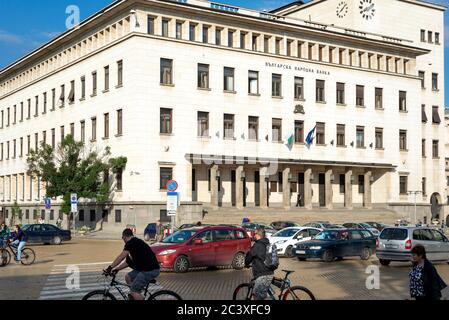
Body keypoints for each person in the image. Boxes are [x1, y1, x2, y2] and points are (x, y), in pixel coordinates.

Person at [106, 228, 160, 300]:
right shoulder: (134, 243)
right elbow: (128, 262)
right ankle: (136, 296)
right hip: (144, 268)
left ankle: (135, 293)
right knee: (128, 277)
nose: (123, 240)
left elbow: (121, 256)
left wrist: (110, 267)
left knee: (134, 290)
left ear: (124, 237)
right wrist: (116, 269)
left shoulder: (131, 243)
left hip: (150, 270)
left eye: (122, 238)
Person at [244, 228, 274, 300]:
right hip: (270, 273)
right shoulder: (268, 244)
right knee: (264, 294)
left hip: (261, 275)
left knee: (257, 296)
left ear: (258, 235)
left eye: (254, 234)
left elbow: (249, 257)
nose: (253, 235)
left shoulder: (257, 245)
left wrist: (246, 264)